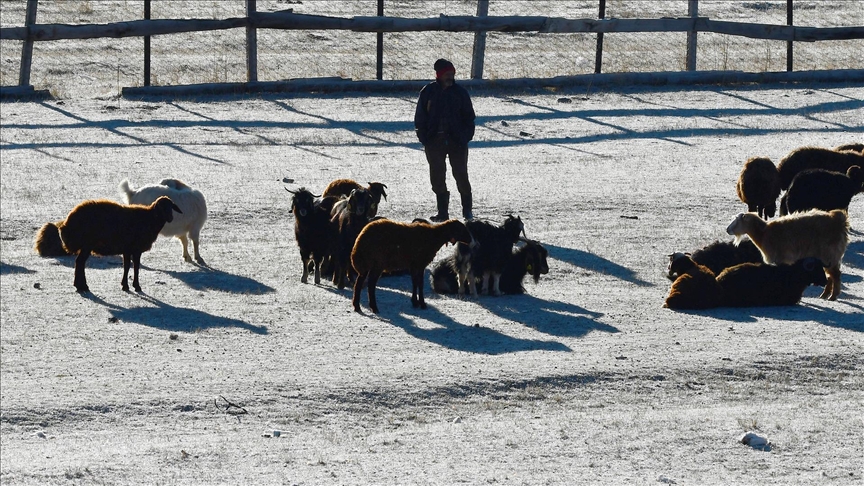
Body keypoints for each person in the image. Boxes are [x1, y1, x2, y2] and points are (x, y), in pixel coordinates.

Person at [414, 58, 476, 221]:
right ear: (439, 75)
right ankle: (443, 213)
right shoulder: (428, 92)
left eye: (452, 74)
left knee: (461, 176)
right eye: (447, 74)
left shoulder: (460, 93)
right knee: (437, 178)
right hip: (434, 142)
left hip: (458, 143)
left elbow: (470, 118)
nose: (450, 77)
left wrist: (465, 137)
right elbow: (420, 118)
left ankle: (467, 211)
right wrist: (424, 137)